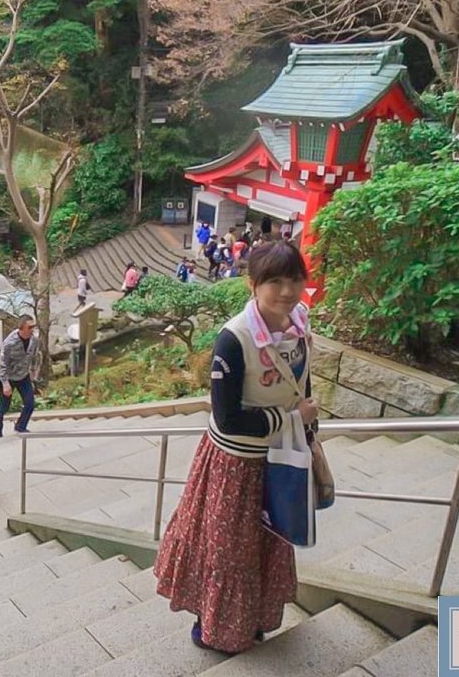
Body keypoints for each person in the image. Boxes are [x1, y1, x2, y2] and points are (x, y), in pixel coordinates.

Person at [153, 240, 314, 655]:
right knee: (227, 550)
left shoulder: (301, 322)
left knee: (267, 544)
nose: (287, 291)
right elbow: (227, 417)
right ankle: (217, 628)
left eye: (294, 279)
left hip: (279, 456)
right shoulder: (234, 339)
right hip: (234, 462)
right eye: (274, 281)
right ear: (252, 283)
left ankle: (254, 619)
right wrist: (293, 420)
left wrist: (307, 439)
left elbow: (302, 383)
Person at [0, 315, 39, 439]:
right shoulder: (10, 343)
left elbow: (34, 355)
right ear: (22, 328)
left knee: (30, 403)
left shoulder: (34, 340)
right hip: (9, 378)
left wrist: (33, 370)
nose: (32, 329)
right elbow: (2, 364)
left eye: (33, 327)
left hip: (23, 376)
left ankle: (21, 426)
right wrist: (5, 383)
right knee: (4, 406)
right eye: (30, 327)